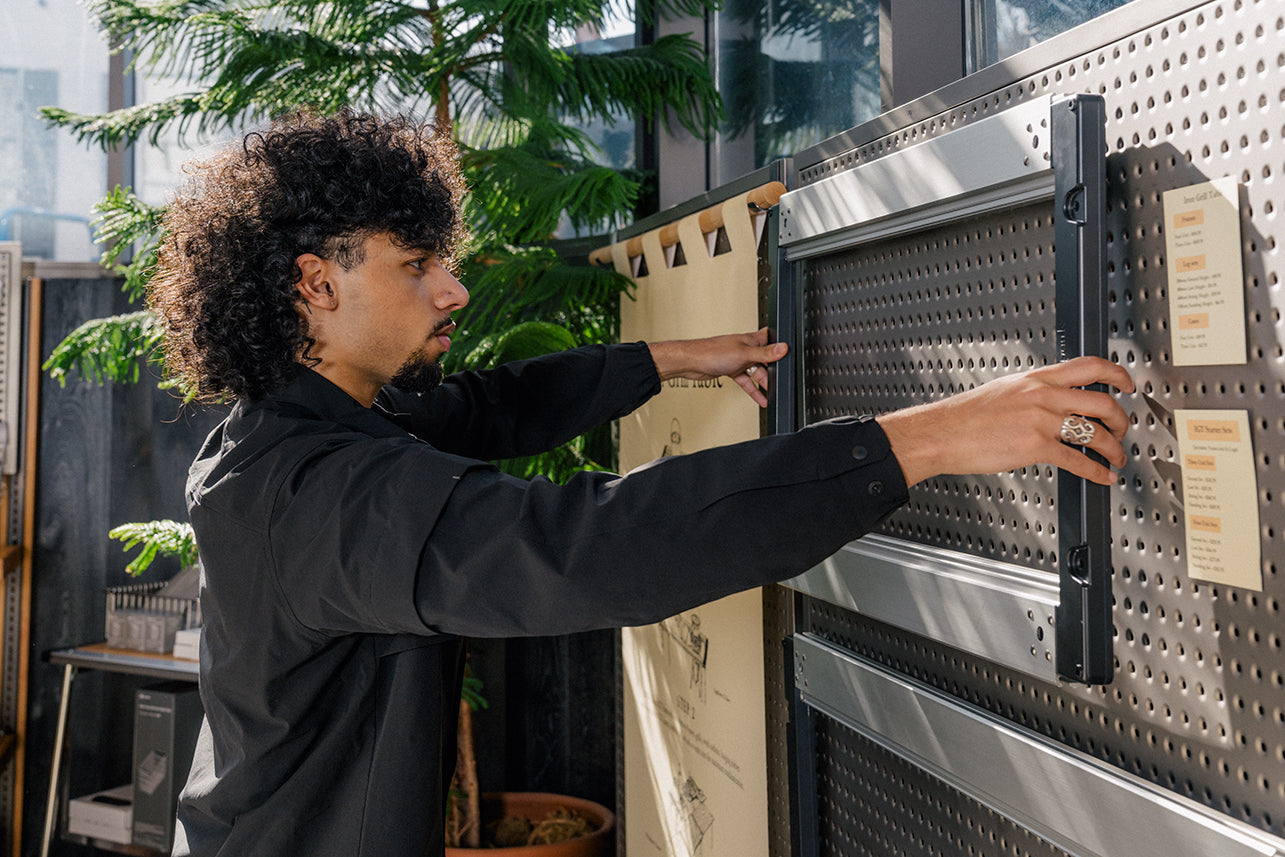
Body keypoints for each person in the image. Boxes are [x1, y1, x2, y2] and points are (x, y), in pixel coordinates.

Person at [147, 108, 1133, 857]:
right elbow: (585, 548)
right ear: (316, 284)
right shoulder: (318, 492)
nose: (451, 288)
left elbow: (492, 408)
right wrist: (926, 438)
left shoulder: (294, 424)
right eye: (416, 265)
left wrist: (660, 359)